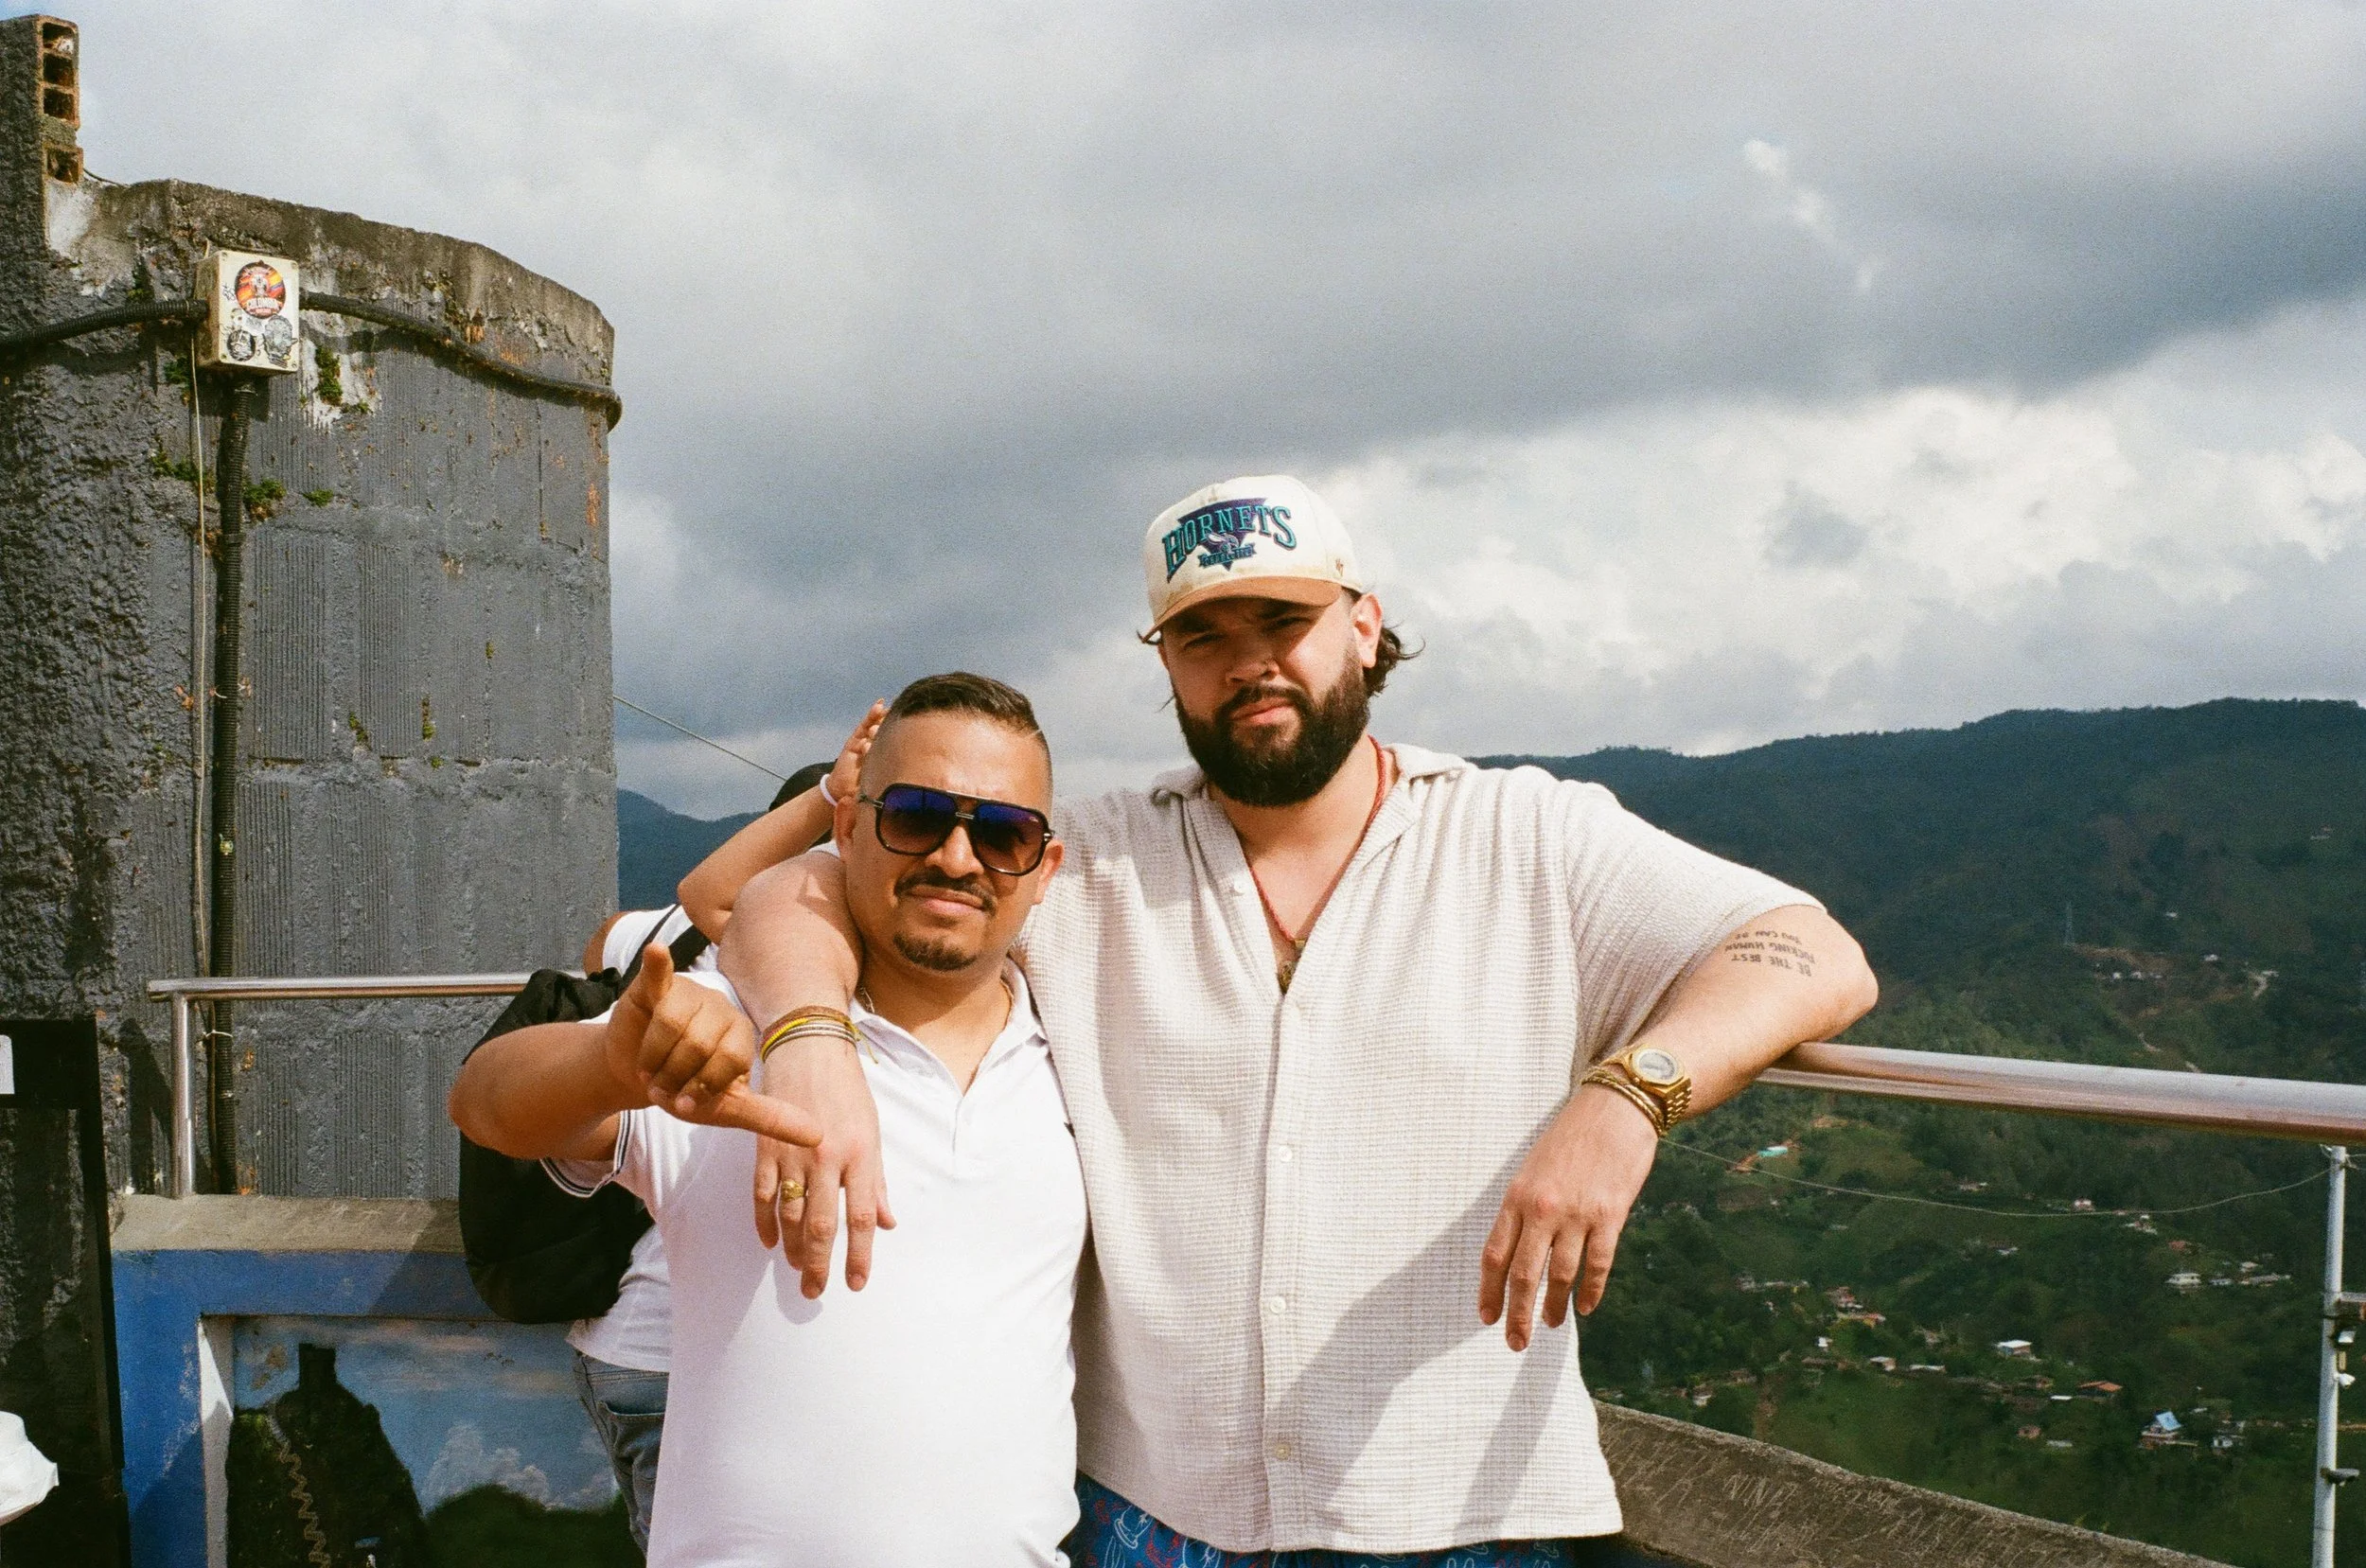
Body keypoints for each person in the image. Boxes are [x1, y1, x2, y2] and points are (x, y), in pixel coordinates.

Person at [718, 475, 1880, 1562]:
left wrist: (1628, 1097)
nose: (1249, 664)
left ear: (1364, 626)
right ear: (1165, 664)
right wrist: (810, 1044)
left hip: (1466, 1509)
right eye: (1204, 638)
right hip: (1153, 1513)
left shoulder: (1526, 837)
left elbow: (1807, 954)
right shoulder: (1089, 860)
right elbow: (790, 892)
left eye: (1284, 621)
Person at [450, 674, 1086, 1565]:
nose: (956, 856)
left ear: (1044, 866)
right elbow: (484, 1101)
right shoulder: (734, 1031)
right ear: (848, 827)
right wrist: (609, 1067)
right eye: (914, 815)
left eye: (1003, 833)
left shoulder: (1075, 1055)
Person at [562, 744, 862, 1555]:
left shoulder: (677, 937)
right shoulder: (820, 970)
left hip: (618, 1334)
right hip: (691, 1358)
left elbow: (601, 943)